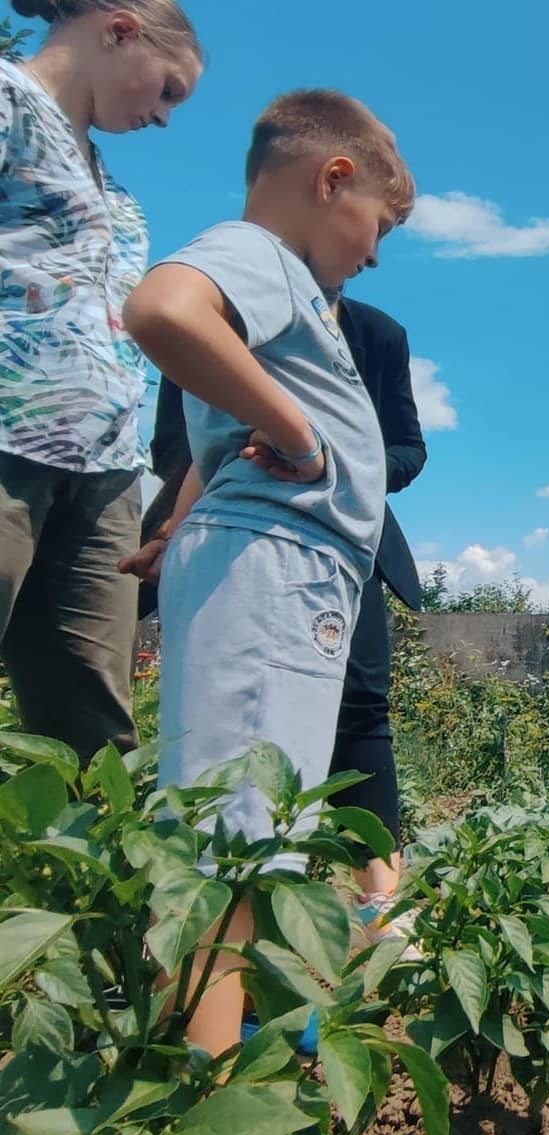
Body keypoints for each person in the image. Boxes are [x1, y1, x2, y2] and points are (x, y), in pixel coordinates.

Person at [117, 88, 414, 1058]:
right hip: (274, 569)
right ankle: (212, 1085)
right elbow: (160, 308)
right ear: (334, 179)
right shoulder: (263, 259)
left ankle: (249, 1044)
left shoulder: (286, 294)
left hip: (282, 567)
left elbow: (214, 439)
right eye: (371, 228)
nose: (371, 255)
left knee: (254, 829)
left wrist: (177, 525)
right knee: (235, 848)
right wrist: (298, 429)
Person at [143, 291, 427, 940]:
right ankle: (223, 913)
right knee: (224, 710)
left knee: (361, 707)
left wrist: (332, 460)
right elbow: (172, 443)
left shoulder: (376, 330)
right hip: (228, 532)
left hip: (345, 542)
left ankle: (380, 911)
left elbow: (408, 449)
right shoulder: (209, 319)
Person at [0, 0, 201, 764]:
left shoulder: (121, 197)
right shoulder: (7, 99)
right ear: (120, 32)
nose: (163, 116)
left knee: (94, 727)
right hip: (6, 435)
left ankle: (82, 884)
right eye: (168, 90)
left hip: (107, 468)